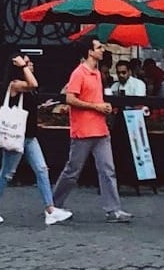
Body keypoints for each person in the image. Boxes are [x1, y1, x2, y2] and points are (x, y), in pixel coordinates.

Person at [0, 54, 70, 226]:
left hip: (29, 136)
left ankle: (50, 209)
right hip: (16, 136)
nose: (30, 65)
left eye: (30, 63)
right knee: (7, 174)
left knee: (42, 169)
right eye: (27, 63)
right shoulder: (15, 85)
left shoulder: (28, 86)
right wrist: (23, 66)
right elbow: (33, 84)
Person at [49, 35, 129, 224]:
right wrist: (96, 107)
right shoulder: (79, 73)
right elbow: (70, 99)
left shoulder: (97, 74)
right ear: (90, 52)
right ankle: (53, 203)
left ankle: (113, 210)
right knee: (72, 170)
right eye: (99, 47)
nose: (102, 50)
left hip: (100, 129)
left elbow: (94, 99)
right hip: (83, 130)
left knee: (108, 169)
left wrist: (104, 106)